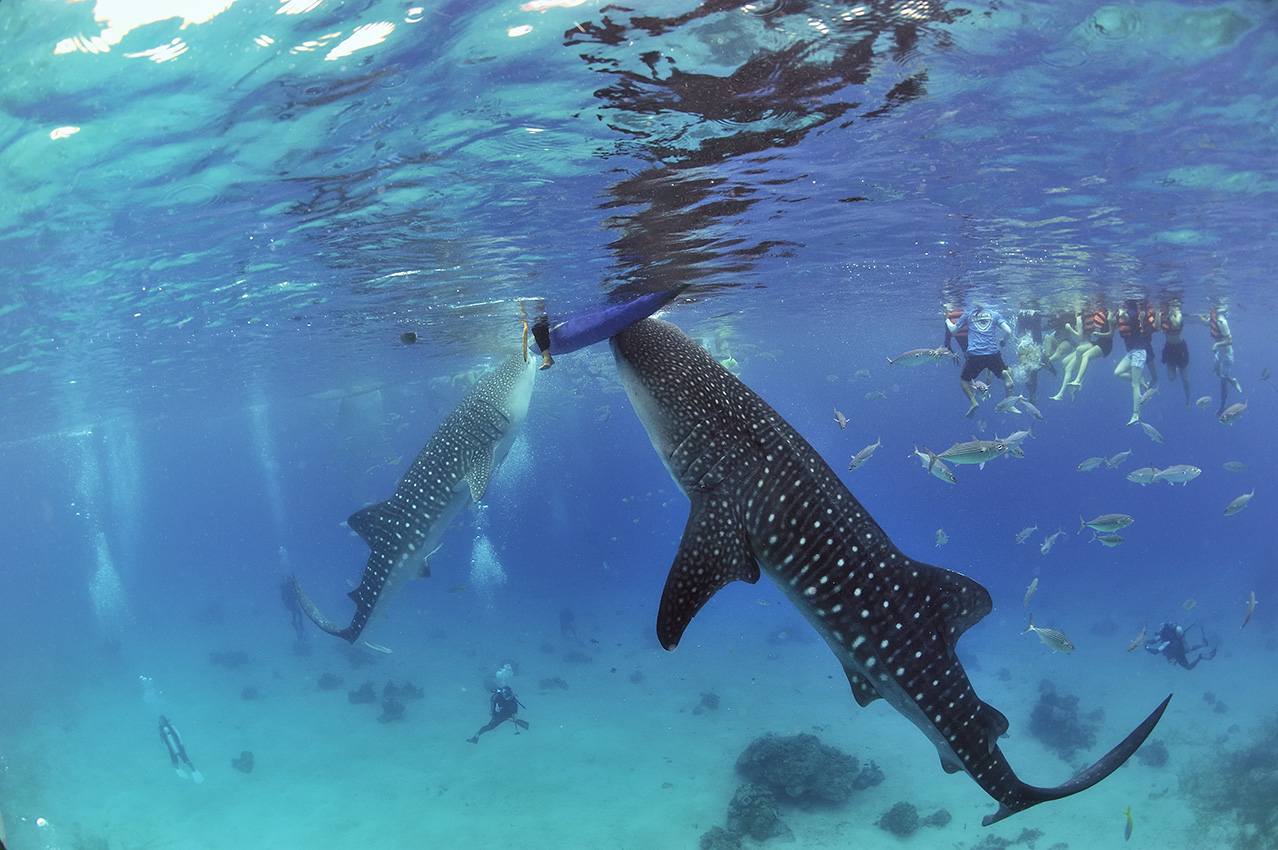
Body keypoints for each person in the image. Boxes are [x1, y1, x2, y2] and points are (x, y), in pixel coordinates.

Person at [945, 303, 1015, 418]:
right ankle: (1006, 382)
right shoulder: (995, 314)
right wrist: (1004, 340)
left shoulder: (968, 314)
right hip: (993, 353)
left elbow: (953, 330)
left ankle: (973, 402)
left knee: (964, 380)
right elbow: (1008, 331)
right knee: (1003, 371)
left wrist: (947, 320)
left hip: (975, 355)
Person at [1113, 299, 1158, 425]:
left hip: (1139, 351)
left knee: (1134, 385)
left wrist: (1118, 310)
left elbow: (1124, 315)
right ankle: (1140, 379)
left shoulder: (1132, 311)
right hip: (1131, 352)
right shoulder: (1125, 311)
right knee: (1117, 372)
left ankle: (1136, 414)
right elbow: (1113, 319)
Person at [1203, 303, 1241, 417]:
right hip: (1219, 353)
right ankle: (1231, 379)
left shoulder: (1222, 322)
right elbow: (1207, 323)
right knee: (1216, 372)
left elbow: (1230, 341)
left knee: (1223, 383)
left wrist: (1216, 345)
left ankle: (1223, 406)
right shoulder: (1214, 319)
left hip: (1226, 355)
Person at [1144, 622, 1215, 670]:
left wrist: (1146, 648)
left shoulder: (1167, 641)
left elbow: (1155, 651)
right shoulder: (1164, 635)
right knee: (1189, 649)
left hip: (1178, 653)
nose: (1159, 631)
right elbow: (1153, 641)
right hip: (1180, 648)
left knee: (1188, 667)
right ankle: (1204, 644)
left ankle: (1200, 657)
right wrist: (1145, 639)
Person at [1160, 299, 1191, 408]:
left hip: (1180, 348)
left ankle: (1187, 399)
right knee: (1171, 378)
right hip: (1169, 348)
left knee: (1185, 380)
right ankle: (1176, 368)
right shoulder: (1163, 313)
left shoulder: (1178, 313)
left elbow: (1176, 322)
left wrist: (1171, 312)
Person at [159, 715, 204, 782]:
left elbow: (177, 734)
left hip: (178, 746)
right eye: (160, 721)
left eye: (162, 720)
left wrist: (181, 744)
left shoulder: (171, 726)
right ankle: (187, 774)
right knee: (175, 764)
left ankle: (194, 771)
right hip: (171, 748)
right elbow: (163, 740)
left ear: (165, 720)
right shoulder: (161, 729)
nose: (161, 722)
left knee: (186, 761)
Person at [280, 575, 309, 642]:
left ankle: (296, 625)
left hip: (289, 604)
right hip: (291, 603)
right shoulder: (288, 587)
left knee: (296, 613)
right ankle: (299, 626)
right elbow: (295, 596)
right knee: (298, 613)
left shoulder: (285, 587)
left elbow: (284, 598)